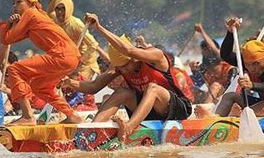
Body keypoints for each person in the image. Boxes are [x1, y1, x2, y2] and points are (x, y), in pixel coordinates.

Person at [62, 13, 193, 141]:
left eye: (125, 65)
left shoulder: (155, 56)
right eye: (119, 67)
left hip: (177, 109)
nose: (122, 69)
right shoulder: (120, 66)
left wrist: (99, 28)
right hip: (148, 112)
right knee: (121, 93)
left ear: (134, 59)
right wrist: (68, 82)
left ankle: (128, 128)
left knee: (152, 88)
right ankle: (91, 132)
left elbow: (129, 50)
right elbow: (93, 86)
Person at [0, 0, 83, 125]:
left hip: (62, 55)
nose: (14, 6)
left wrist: (9, 25)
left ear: (31, 3)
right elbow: (8, 40)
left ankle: (27, 116)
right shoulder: (35, 16)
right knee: (38, 86)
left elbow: (7, 38)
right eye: (13, 3)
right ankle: (72, 116)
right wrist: (10, 25)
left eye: (19, 2)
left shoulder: (31, 13)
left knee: (14, 69)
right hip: (71, 58)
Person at [48, 0, 101, 80]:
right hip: (69, 62)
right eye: (58, 9)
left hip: (85, 64)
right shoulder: (54, 19)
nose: (60, 12)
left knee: (79, 90)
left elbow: (93, 44)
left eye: (63, 9)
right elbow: (49, 13)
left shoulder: (76, 24)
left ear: (69, 9)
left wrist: (80, 60)